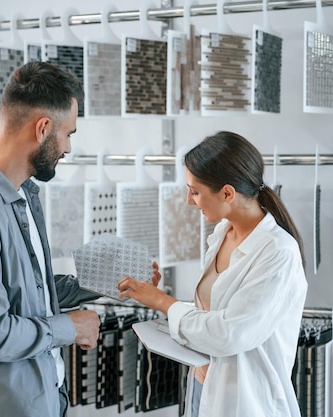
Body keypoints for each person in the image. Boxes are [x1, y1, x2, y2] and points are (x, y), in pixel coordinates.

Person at [0, 62, 102, 417]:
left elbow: (32, 291)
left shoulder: (25, 195)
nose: (68, 148)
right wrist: (70, 328)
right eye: (68, 134)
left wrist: (109, 283)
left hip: (46, 400)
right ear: (43, 128)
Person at [118, 131, 308, 417]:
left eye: (195, 191)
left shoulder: (278, 252)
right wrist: (152, 293)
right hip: (203, 387)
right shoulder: (222, 233)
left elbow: (230, 334)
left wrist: (163, 302)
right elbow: (210, 313)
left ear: (228, 193)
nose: (188, 201)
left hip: (247, 404)